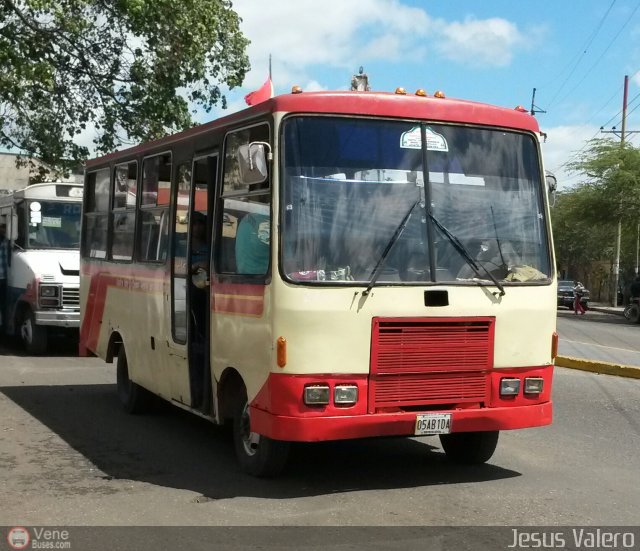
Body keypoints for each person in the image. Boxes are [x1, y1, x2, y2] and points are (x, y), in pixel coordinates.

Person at [0, 223, 10, 332]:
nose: (3, 229)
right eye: (2, 227)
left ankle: (3, 326)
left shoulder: (6, 241)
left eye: (4, 227)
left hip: (4, 277)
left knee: (4, 303)